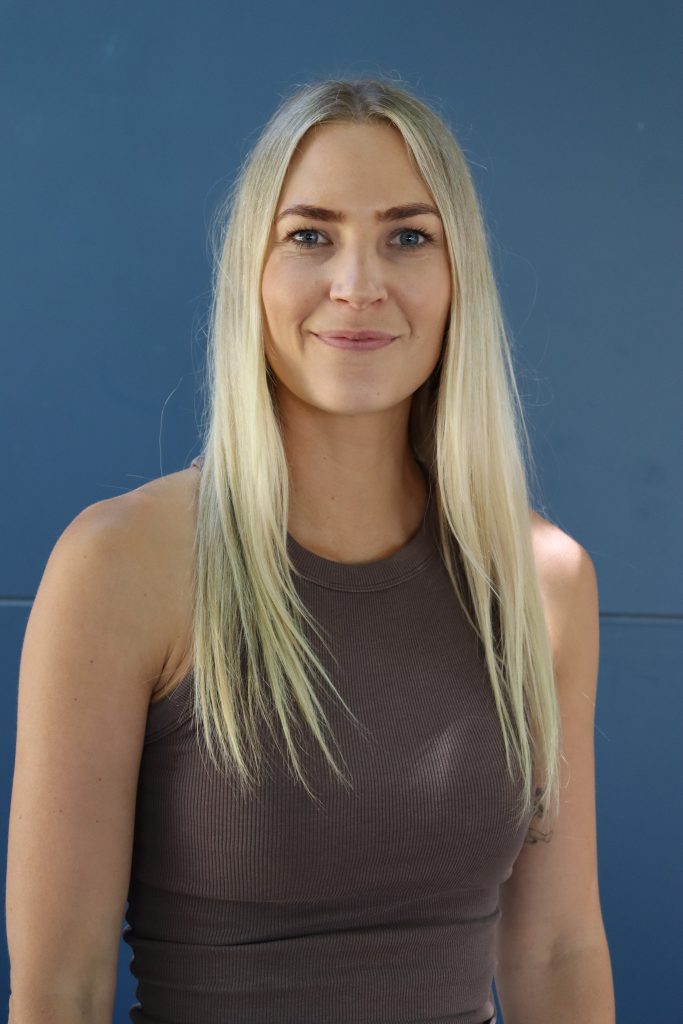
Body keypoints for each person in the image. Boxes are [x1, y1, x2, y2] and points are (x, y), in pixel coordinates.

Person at [6, 77, 615, 1023]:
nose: (358, 285)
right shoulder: (120, 566)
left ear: (458, 278)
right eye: (309, 236)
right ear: (251, 271)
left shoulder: (544, 580)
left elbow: (556, 949)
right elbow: (60, 993)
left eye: (408, 237)